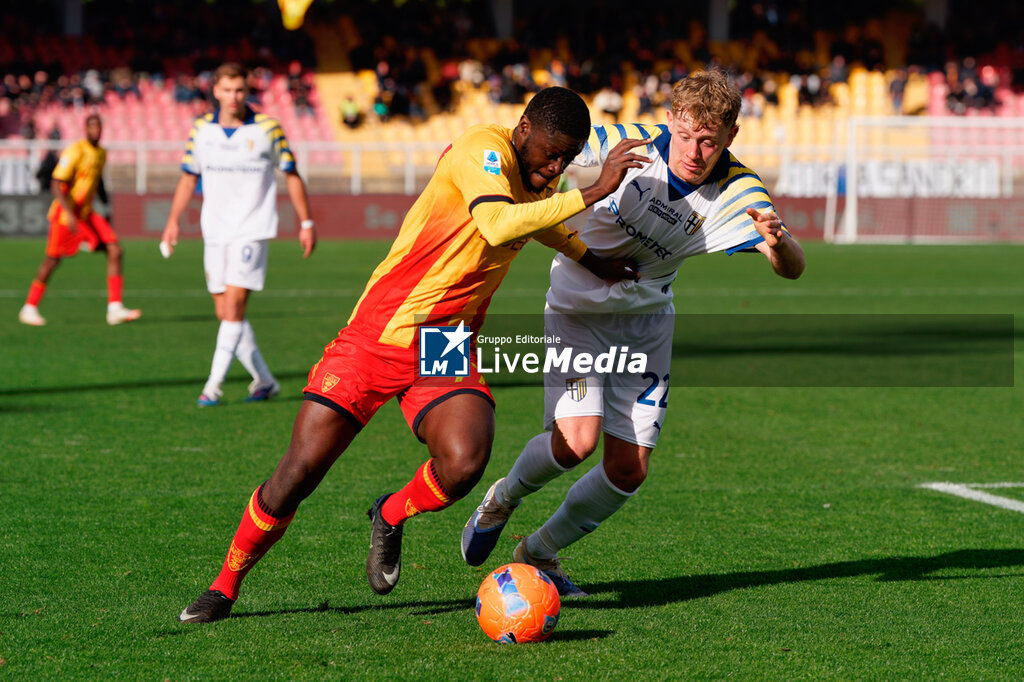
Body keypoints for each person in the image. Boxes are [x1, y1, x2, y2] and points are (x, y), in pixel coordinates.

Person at [177, 85, 649, 623]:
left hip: (442, 341)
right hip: (379, 334)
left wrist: (593, 260)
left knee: (466, 460)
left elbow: (543, 221)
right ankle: (224, 586)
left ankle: (390, 512)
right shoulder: (482, 151)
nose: (558, 164)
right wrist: (593, 193)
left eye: (567, 157)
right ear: (523, 130)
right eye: (551, 152)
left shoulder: (543, 177)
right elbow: (498, 221)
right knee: (298, 474)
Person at [461, 69, 806, 596]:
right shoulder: (624, 145)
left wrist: (777, 242)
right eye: (686, 135)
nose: (694, 150)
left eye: (709, 141)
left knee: (628, 470)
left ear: (731, 137)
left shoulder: (740, 191)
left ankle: (539, 553)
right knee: (577, 441)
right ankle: (502, 498)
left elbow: (793, 267)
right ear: (671, 121)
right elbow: (537, 155)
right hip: (576, 310)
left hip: (645, 328)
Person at [161, 62, 316, 407]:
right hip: (214, 231)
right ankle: (265, 380)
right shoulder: (201, 129)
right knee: (225, 312)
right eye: (227, 90)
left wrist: (306, 223)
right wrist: (173, 221)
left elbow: (291, 173)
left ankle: (212, 387)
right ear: (215, 91)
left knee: (233, 307)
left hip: (252, 229)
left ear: (247, 92)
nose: (234, 97)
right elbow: (188, 177)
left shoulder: (267, 128)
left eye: (240, 90)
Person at [19, 114, 142, 327]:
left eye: (99, 127)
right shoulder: (75, 150)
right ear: (85, 128)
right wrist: (68, 212)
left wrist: (107, 208)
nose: (96, 130)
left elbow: (99, 181)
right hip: (66, 215)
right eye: (92, 127)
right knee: (52, 260)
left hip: (86, 214)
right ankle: (29, 307)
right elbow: (56, 183)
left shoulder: (101, 153)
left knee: (115, 250)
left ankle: (114, 308)